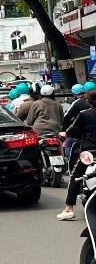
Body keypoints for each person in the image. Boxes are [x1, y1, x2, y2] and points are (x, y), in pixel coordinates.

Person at [58, 90, 96, 220]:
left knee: (75, 177)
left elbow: (72, 129)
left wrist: (65, 133)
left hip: (89, 153)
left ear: (89, 101)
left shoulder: (84, 114)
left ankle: (68, 208)